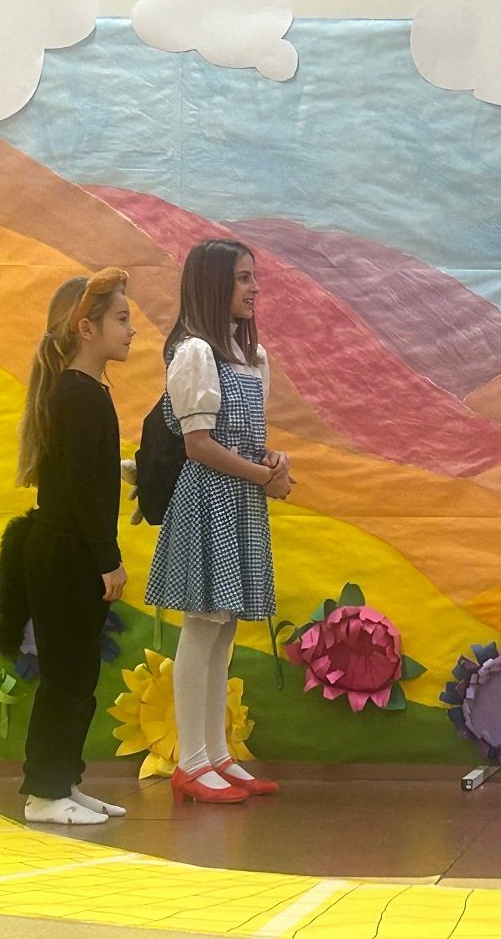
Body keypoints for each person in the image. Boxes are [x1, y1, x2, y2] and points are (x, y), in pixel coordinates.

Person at [145, 239, 294, 804]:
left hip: (239, 498)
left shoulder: (249, 357)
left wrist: (272, 460)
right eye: (242, 278)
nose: (253, 288)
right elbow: (199, 445)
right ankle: (191, 761)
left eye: (253, 277)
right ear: (213, 284)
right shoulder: (195, 353)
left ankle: (216, 754)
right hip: (209, 498)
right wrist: (263, 477)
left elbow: (242, 437)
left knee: (224, 627)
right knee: (203, 624)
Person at [0, 268, 135, 825]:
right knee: (65, 677)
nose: (131, 330)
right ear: (86, 328)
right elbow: (78, 490)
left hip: (68, 549)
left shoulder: (86, 391)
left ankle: (63, 781)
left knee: (80, 675)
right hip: (64, 552)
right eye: (121, 319)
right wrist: (108, 560)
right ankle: (44, 793)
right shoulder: (77, 393)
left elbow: (85, 474)